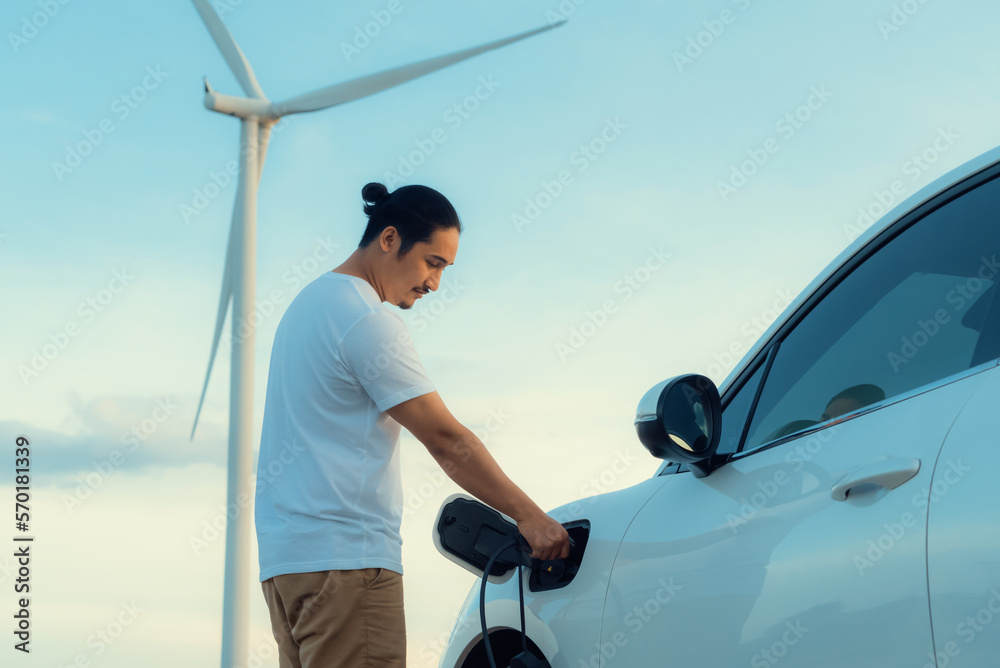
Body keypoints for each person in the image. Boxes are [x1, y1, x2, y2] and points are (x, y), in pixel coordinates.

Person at [254, 181, 570, 668]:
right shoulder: (365, 319)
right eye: (433, 262)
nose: (434, 284)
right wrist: (530, 518)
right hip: (347, 563)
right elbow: (448, 441)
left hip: (286, 568)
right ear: (389, 239)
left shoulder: (305, 308)